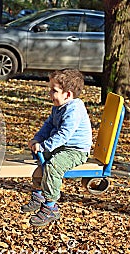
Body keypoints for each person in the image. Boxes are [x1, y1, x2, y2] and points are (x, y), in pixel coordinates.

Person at [21, 69, 92, 227]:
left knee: (53, 166)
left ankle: (51, 206)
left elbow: (64, 134)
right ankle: (39, 194)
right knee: (38, 158)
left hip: (75, 151)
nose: (50, 94)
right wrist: (37, 139)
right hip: (61, 147)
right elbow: (48, 126)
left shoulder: (74, 110)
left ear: (68, 94)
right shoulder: (58, 107)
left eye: (54, 91)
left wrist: (45, 146)